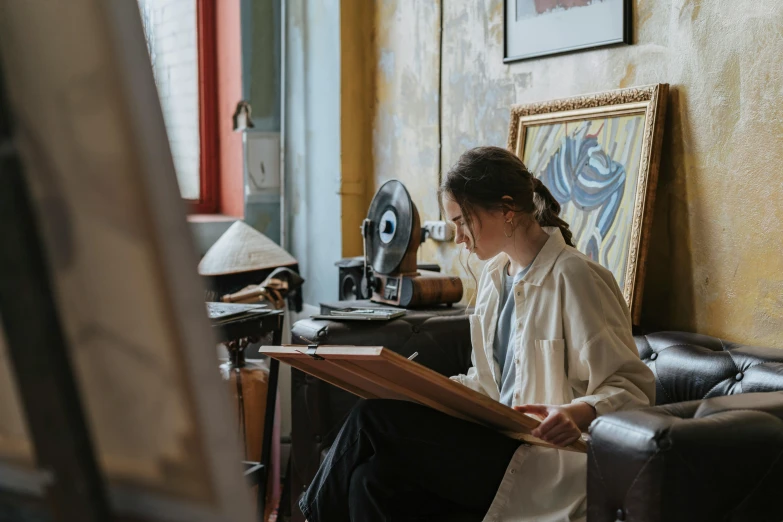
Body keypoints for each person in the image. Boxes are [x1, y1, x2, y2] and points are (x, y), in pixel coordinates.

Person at [298, 146, 655, 522]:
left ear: (506, 209)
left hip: (548, 464)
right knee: (370, 481)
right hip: (494, 445)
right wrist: (421, 390)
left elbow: (633, 389)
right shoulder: (492, 280)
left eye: (461, 221)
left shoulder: (576, 277)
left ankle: (307, 515)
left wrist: (578, 413)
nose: (458, 238)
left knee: (371, 417)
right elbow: (487, 385)